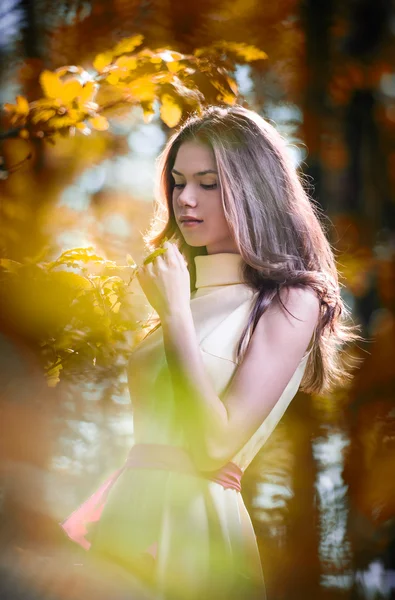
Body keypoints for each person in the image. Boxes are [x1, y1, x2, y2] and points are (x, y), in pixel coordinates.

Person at [61, 105, 360, 600]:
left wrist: (176, 311)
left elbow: (216, 446)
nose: (186, 199)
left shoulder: (291, 299)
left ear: (252, 189)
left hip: (195, 529)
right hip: (125, 513)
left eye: (208, 183)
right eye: (178, 183)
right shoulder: (180, 293)